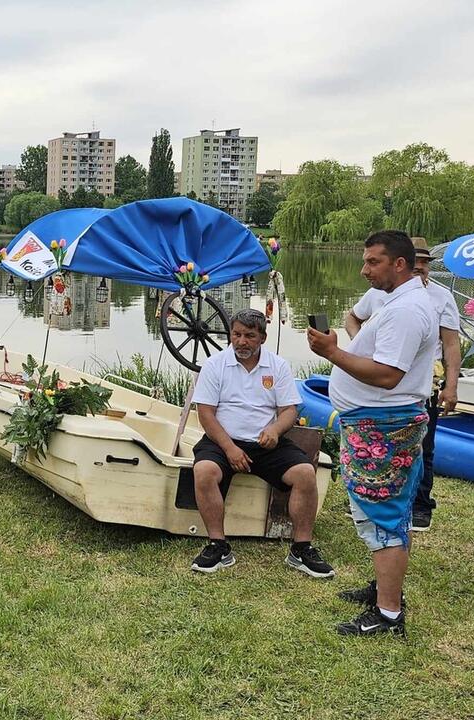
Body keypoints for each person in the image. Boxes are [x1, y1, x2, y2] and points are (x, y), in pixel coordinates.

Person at [309, 230, 437, 637]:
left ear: (399, 264)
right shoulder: (401, 301)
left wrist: (333, 353)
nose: (364, 270)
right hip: (378, 423)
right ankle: (386, 590)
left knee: (380, 515)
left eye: (373, 262)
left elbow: (387, 375)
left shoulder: (406, 310)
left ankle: (388, 615)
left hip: (382, 426)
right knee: (390, 515)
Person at [190, 308, 334, 578]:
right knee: (204, 470)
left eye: (249, 336)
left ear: (262, 338)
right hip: (222, 441)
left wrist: (276, 430)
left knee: (304, 473)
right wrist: (230, 449)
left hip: (266, 443)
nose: (241, 341)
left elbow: (290, 410)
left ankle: (301, 549)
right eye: (236, 334)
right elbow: (206, 414)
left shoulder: (277, 366)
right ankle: (218, 546)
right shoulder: (214, 364)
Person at [344, 237, 460, 531]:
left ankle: (420, 504)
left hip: (417, 386)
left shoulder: (434, 299)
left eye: (423, 264)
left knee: (425, 448)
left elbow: (451, 343)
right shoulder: (381, 294)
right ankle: (373, 496)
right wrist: (360, 350)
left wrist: (451, 384)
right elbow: (353, 318)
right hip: (379, 397)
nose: (419, 269)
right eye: (416, 262)